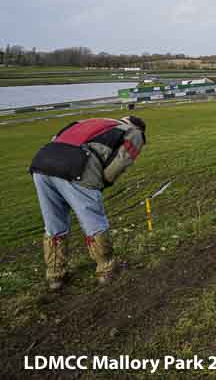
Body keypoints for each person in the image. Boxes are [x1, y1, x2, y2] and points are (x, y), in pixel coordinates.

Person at [29, 116, 147, 290]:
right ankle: (107, 271)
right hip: (77, 168)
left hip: (42, 164)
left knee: (54, 224)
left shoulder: (91, 121)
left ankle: (55, 276)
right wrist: (102, 180)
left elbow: (56, 138)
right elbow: (122, 159)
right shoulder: (135, 132)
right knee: (94, 222)